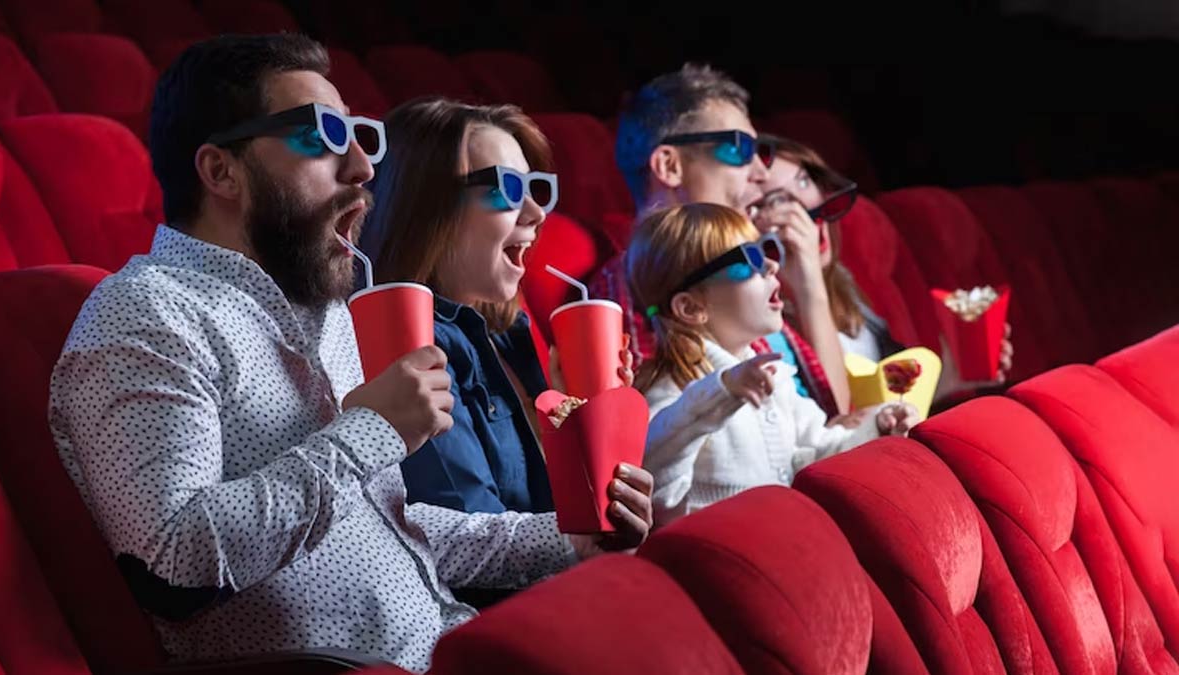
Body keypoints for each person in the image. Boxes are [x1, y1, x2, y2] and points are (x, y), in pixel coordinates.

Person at [48, 34, 651, 673]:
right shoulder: (147, 312)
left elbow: (389, 527)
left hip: (453, 647)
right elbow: (173, 566)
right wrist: (371, 431)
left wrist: (569, 539)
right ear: (222, 172)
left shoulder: (330, 313)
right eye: (323, 136)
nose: (362, 167)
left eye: (360, 137)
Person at [361, 98, 635, 516]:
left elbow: (564, 504)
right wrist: (589, 540)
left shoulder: (507, 332)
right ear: (425, 205)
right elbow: (468, 526)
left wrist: (580, 418)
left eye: (532, 187)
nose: (536, 213)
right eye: (506, 188)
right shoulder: (409, 343)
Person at [627, 203, 917, 527]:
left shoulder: (772, 377)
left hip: (788, 538)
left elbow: (817, 454)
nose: (771, 265)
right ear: (691, 308)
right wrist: (722, 392)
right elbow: (657, 480)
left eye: (764, 250)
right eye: (747, 260)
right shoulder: (676, 391)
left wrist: (877, 429)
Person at [588, 63, 848, 417]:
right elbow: (657, 429)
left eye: (759, 153)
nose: (761, 173)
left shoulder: (745, 269)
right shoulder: (630, 285)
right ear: (669, 166)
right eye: (740, 149)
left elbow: (834, 414)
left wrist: (810, 288)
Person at [749, 136, 1014, 405]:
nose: (804, 205)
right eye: (777, 200)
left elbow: (890, 407)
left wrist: (952, 376)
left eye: (804, 180)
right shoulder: (768, 324)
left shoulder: (841, 280)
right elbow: (842, 414)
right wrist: (809, 287)